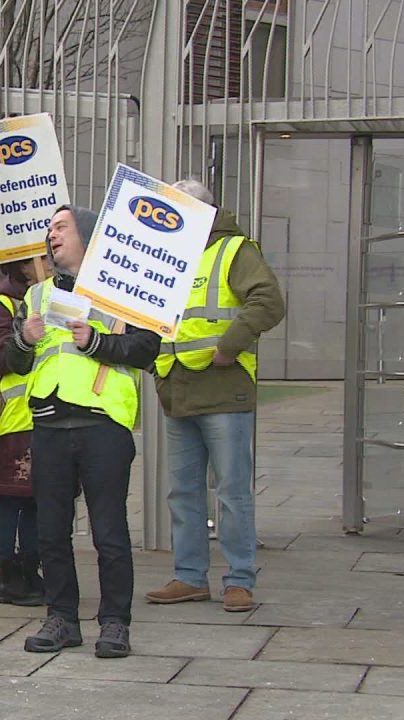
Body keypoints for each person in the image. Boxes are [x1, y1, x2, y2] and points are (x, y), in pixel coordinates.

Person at [6, 205, 160, 658]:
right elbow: (14, 364)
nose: (51, 236)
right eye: (49, 229)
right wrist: (24, 340)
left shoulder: (121, 291)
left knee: (108, 531)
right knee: (50, 531)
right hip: (49, 425)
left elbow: (146, 348)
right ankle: (62, 618)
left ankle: (114, 622)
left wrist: (96, 342)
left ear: (88, 237)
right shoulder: (36, 296)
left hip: (101, 426)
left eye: (61, 228)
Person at [144, 179, 285, 613]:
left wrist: (229, 346)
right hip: (178, 388)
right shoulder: (166, 254)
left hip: (223, 389)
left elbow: (268, 301)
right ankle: (190, 577)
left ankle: (238, 579)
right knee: (183, 491)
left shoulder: (234, 249)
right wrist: (154, 360)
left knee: (231, 492)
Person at [0, 258, 45, 606]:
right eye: (42, 259)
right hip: (17, 419)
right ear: (24, 266)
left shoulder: (51, 295)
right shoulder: (5, 303)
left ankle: (31, 570)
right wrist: (26, 336)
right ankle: (8, 575)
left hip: (46, 415)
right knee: (11, 498)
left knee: (37, 500)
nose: (48, 263)